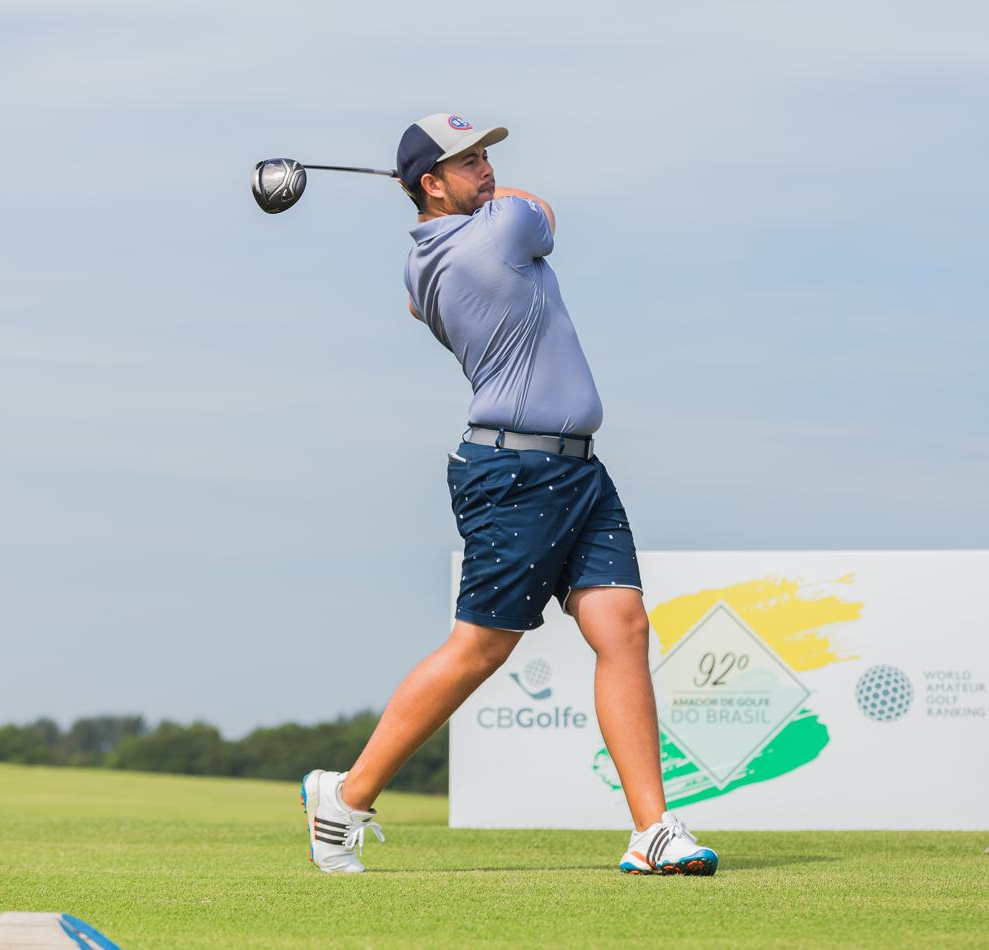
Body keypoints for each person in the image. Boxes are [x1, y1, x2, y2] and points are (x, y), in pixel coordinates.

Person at [301, 113, 718, 877]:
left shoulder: (422, 264)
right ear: (429, 183)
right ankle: (345, 796)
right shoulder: (498, 231)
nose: (488, 169)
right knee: (481, 647)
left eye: (488, 155)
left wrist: (441, 207)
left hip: (577, 471)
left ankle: (652, 829)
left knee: (620, 625)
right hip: (515, 472)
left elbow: (416, 301)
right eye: (467, 162)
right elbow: (542, 209)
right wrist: (482, 205)